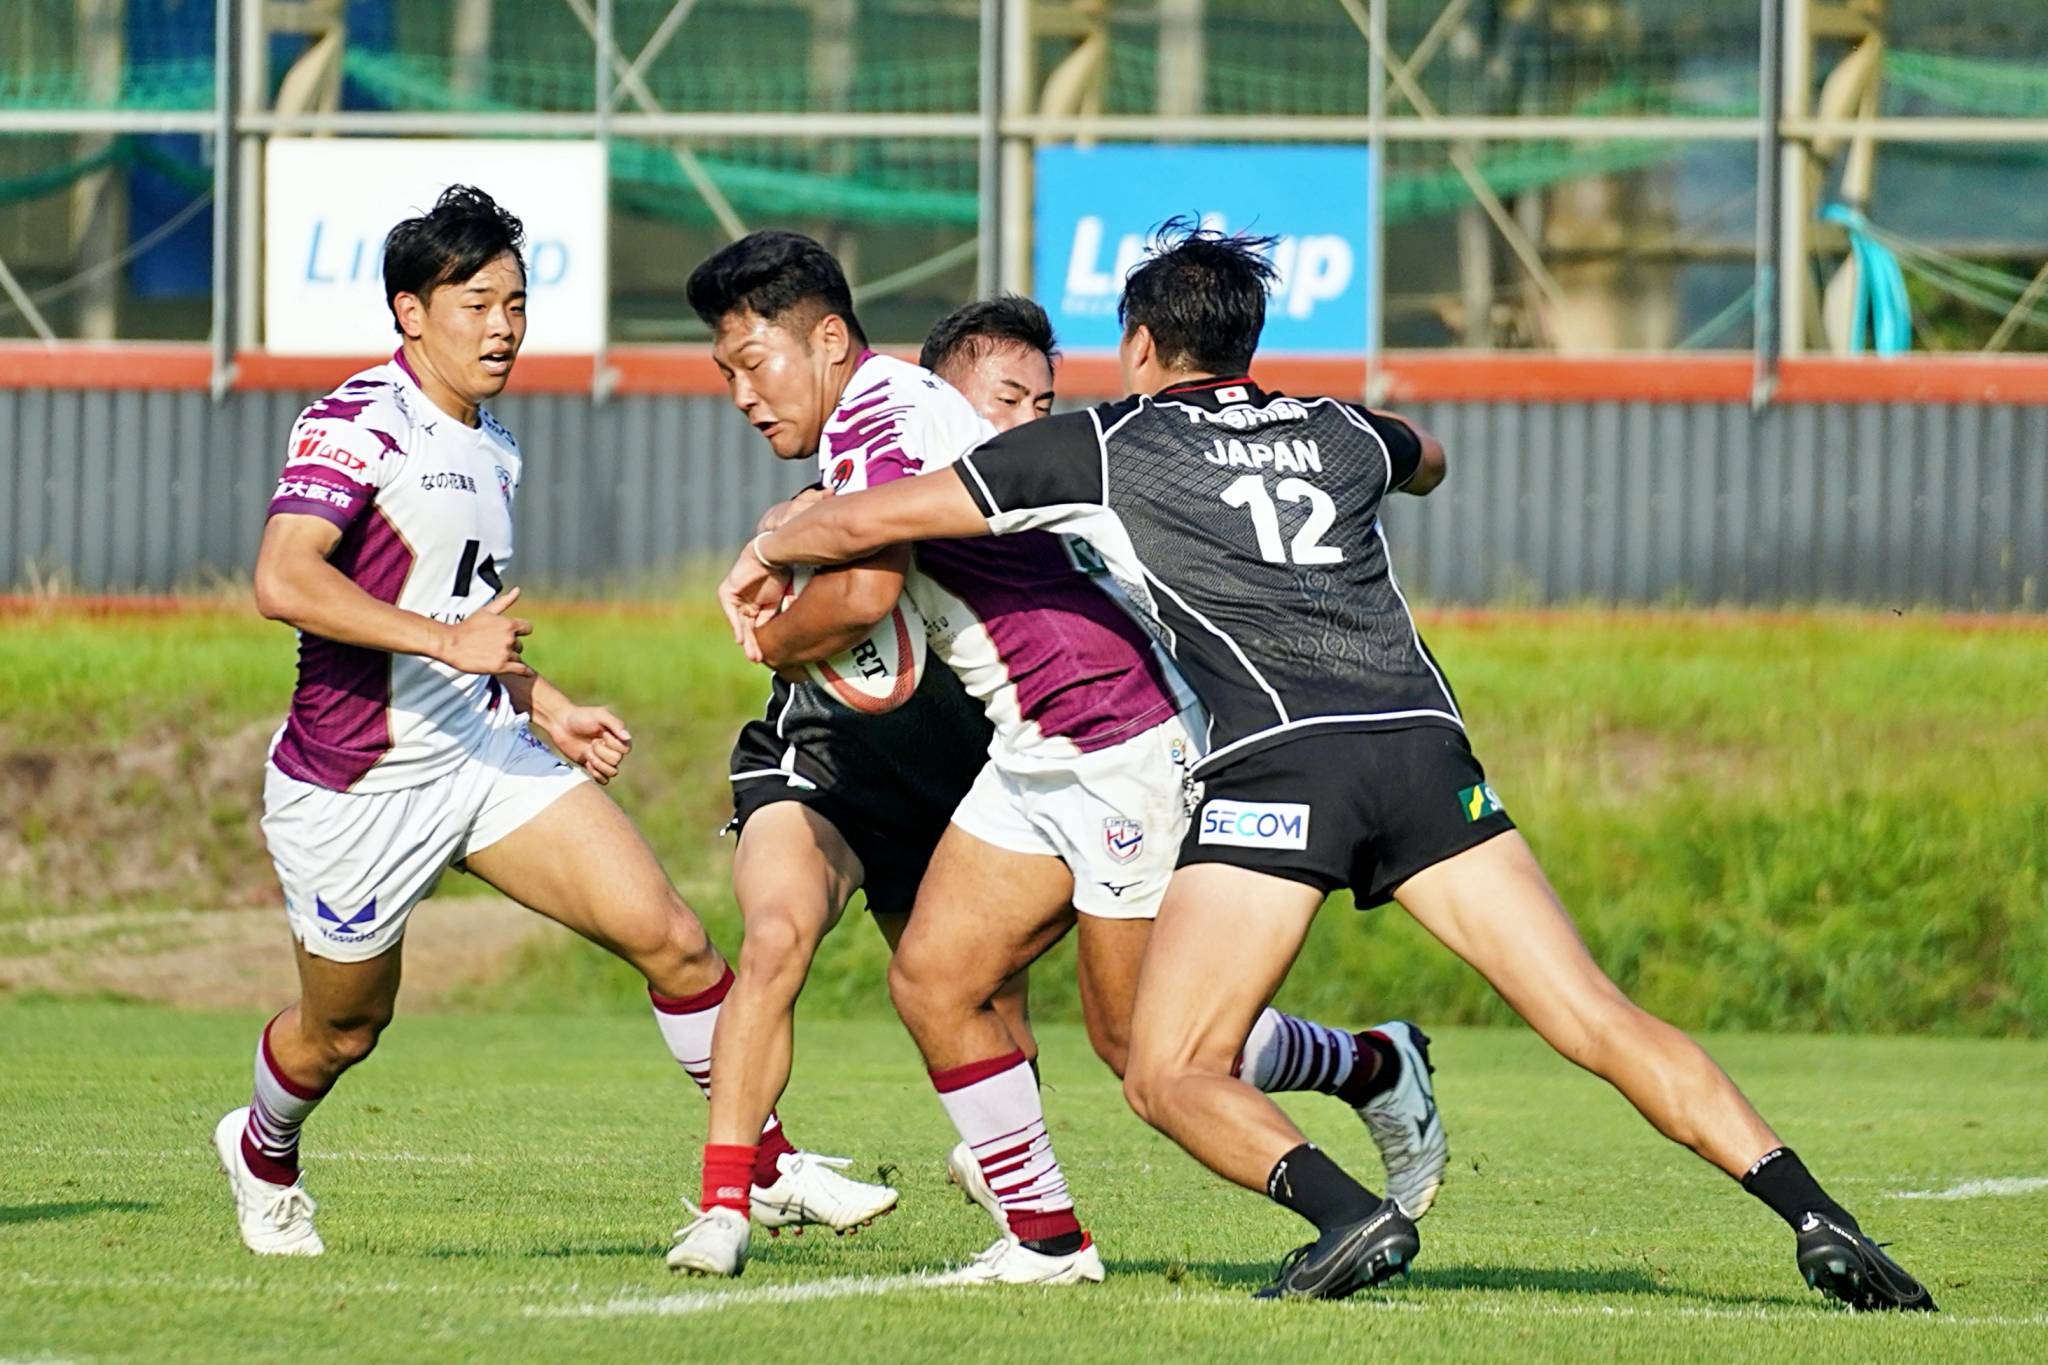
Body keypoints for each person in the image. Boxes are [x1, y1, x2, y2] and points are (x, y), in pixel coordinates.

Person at [713, 219, 1937, 1312]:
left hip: (1273, 768)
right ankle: (1815, 1215)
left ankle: (1347, 1213)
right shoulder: (1340, 426)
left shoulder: (1105, 443)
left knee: (1161, 1067)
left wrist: (770, 547)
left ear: (1136, 348)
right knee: (1590, 1014)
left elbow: (868, 524)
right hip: (1422, 750)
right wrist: (1339, 451)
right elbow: (1427, 456)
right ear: (1248, 342)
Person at [686, 232, 1446, 1287]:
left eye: (750, 362)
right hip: (1037, 740)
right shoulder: (880, 414)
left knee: (1143, 1049)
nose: (740, 393)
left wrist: (770, 634)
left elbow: (862, 595)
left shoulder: (880, 413)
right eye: (723, 372)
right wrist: (786, 538)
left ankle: (1356, 1168)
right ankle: (1047, 1241)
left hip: (1116, 736)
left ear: (825, 339)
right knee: (936, 979)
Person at [216, 186, 855, 1259]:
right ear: (410, 313)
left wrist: (542, 700)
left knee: (674, 940)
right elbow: (283, 580)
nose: (502, 326)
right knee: (343, 1029)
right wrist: (446, 642)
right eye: (475, 304)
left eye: (515, 303)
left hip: (480, 754)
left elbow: (466, 616)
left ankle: (763, 1165)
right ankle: (262, 1148)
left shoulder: (496, 444)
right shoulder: (357, 421)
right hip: (358, 783)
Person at [671, 297, 1064, 1276]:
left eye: (1042, 404)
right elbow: (835, 554)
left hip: (954, 793)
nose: (1023, 421)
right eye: (1006, 398)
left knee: (990, 1006)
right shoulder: (873, 461)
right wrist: (779, 592)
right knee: (776, 938)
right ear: (944, 396)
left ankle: (1026, 1205)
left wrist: (780, 541)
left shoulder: (1027, 521)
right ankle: (726, 1205)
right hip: (825, 770)